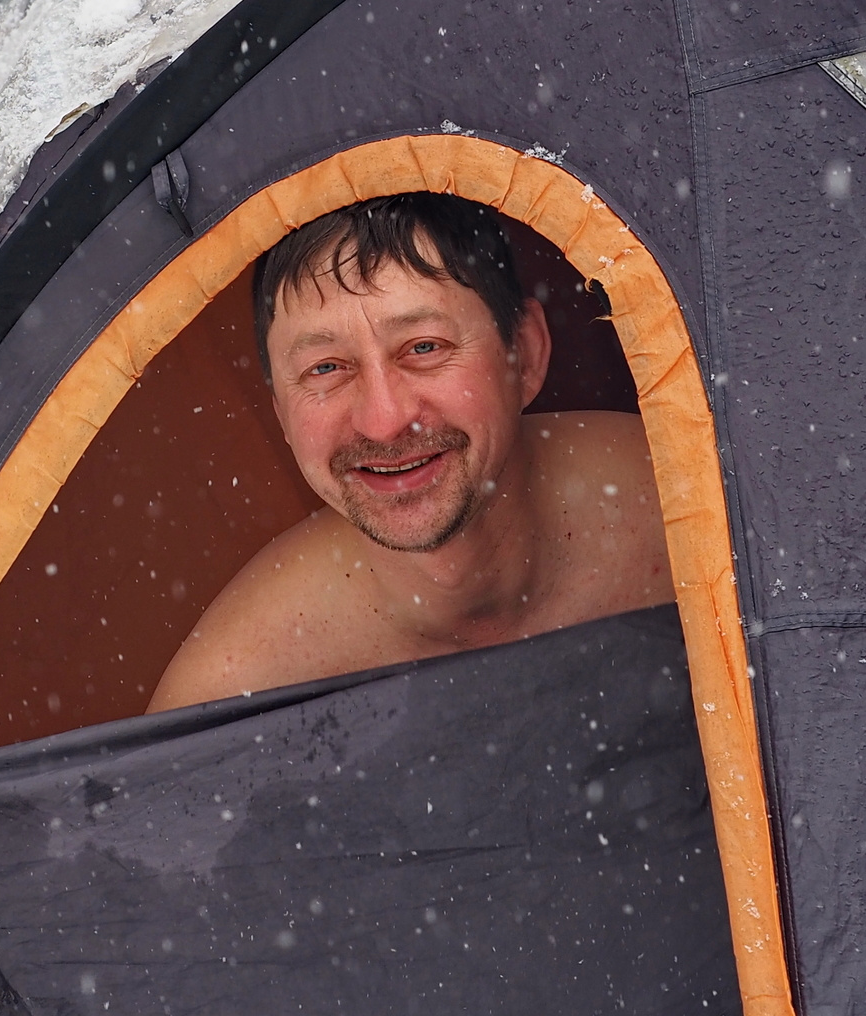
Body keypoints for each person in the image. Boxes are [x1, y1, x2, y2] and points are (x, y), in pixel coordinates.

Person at [146, 193, 671, 712]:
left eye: (424, 347)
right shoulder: (236, 690)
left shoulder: (698, 515)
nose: (384, 421)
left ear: (525, 355)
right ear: (282, 414)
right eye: (326, 368)